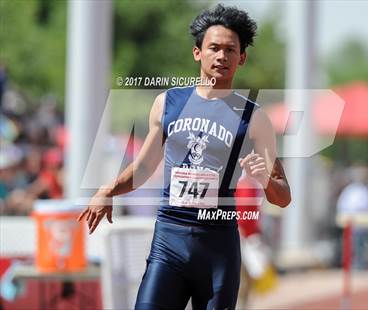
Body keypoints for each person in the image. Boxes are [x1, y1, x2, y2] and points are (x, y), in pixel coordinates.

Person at [78, 4, 291, 309]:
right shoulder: (168, 103)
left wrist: (265, 180)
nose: (221, 56)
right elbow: (144, 166)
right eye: (214, 48)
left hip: (218, 249)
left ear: (241, 58)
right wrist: (106, 190)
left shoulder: (254, 118)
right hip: (169, 242)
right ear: (197, 53)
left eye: (230, 50)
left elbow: (283, 196)